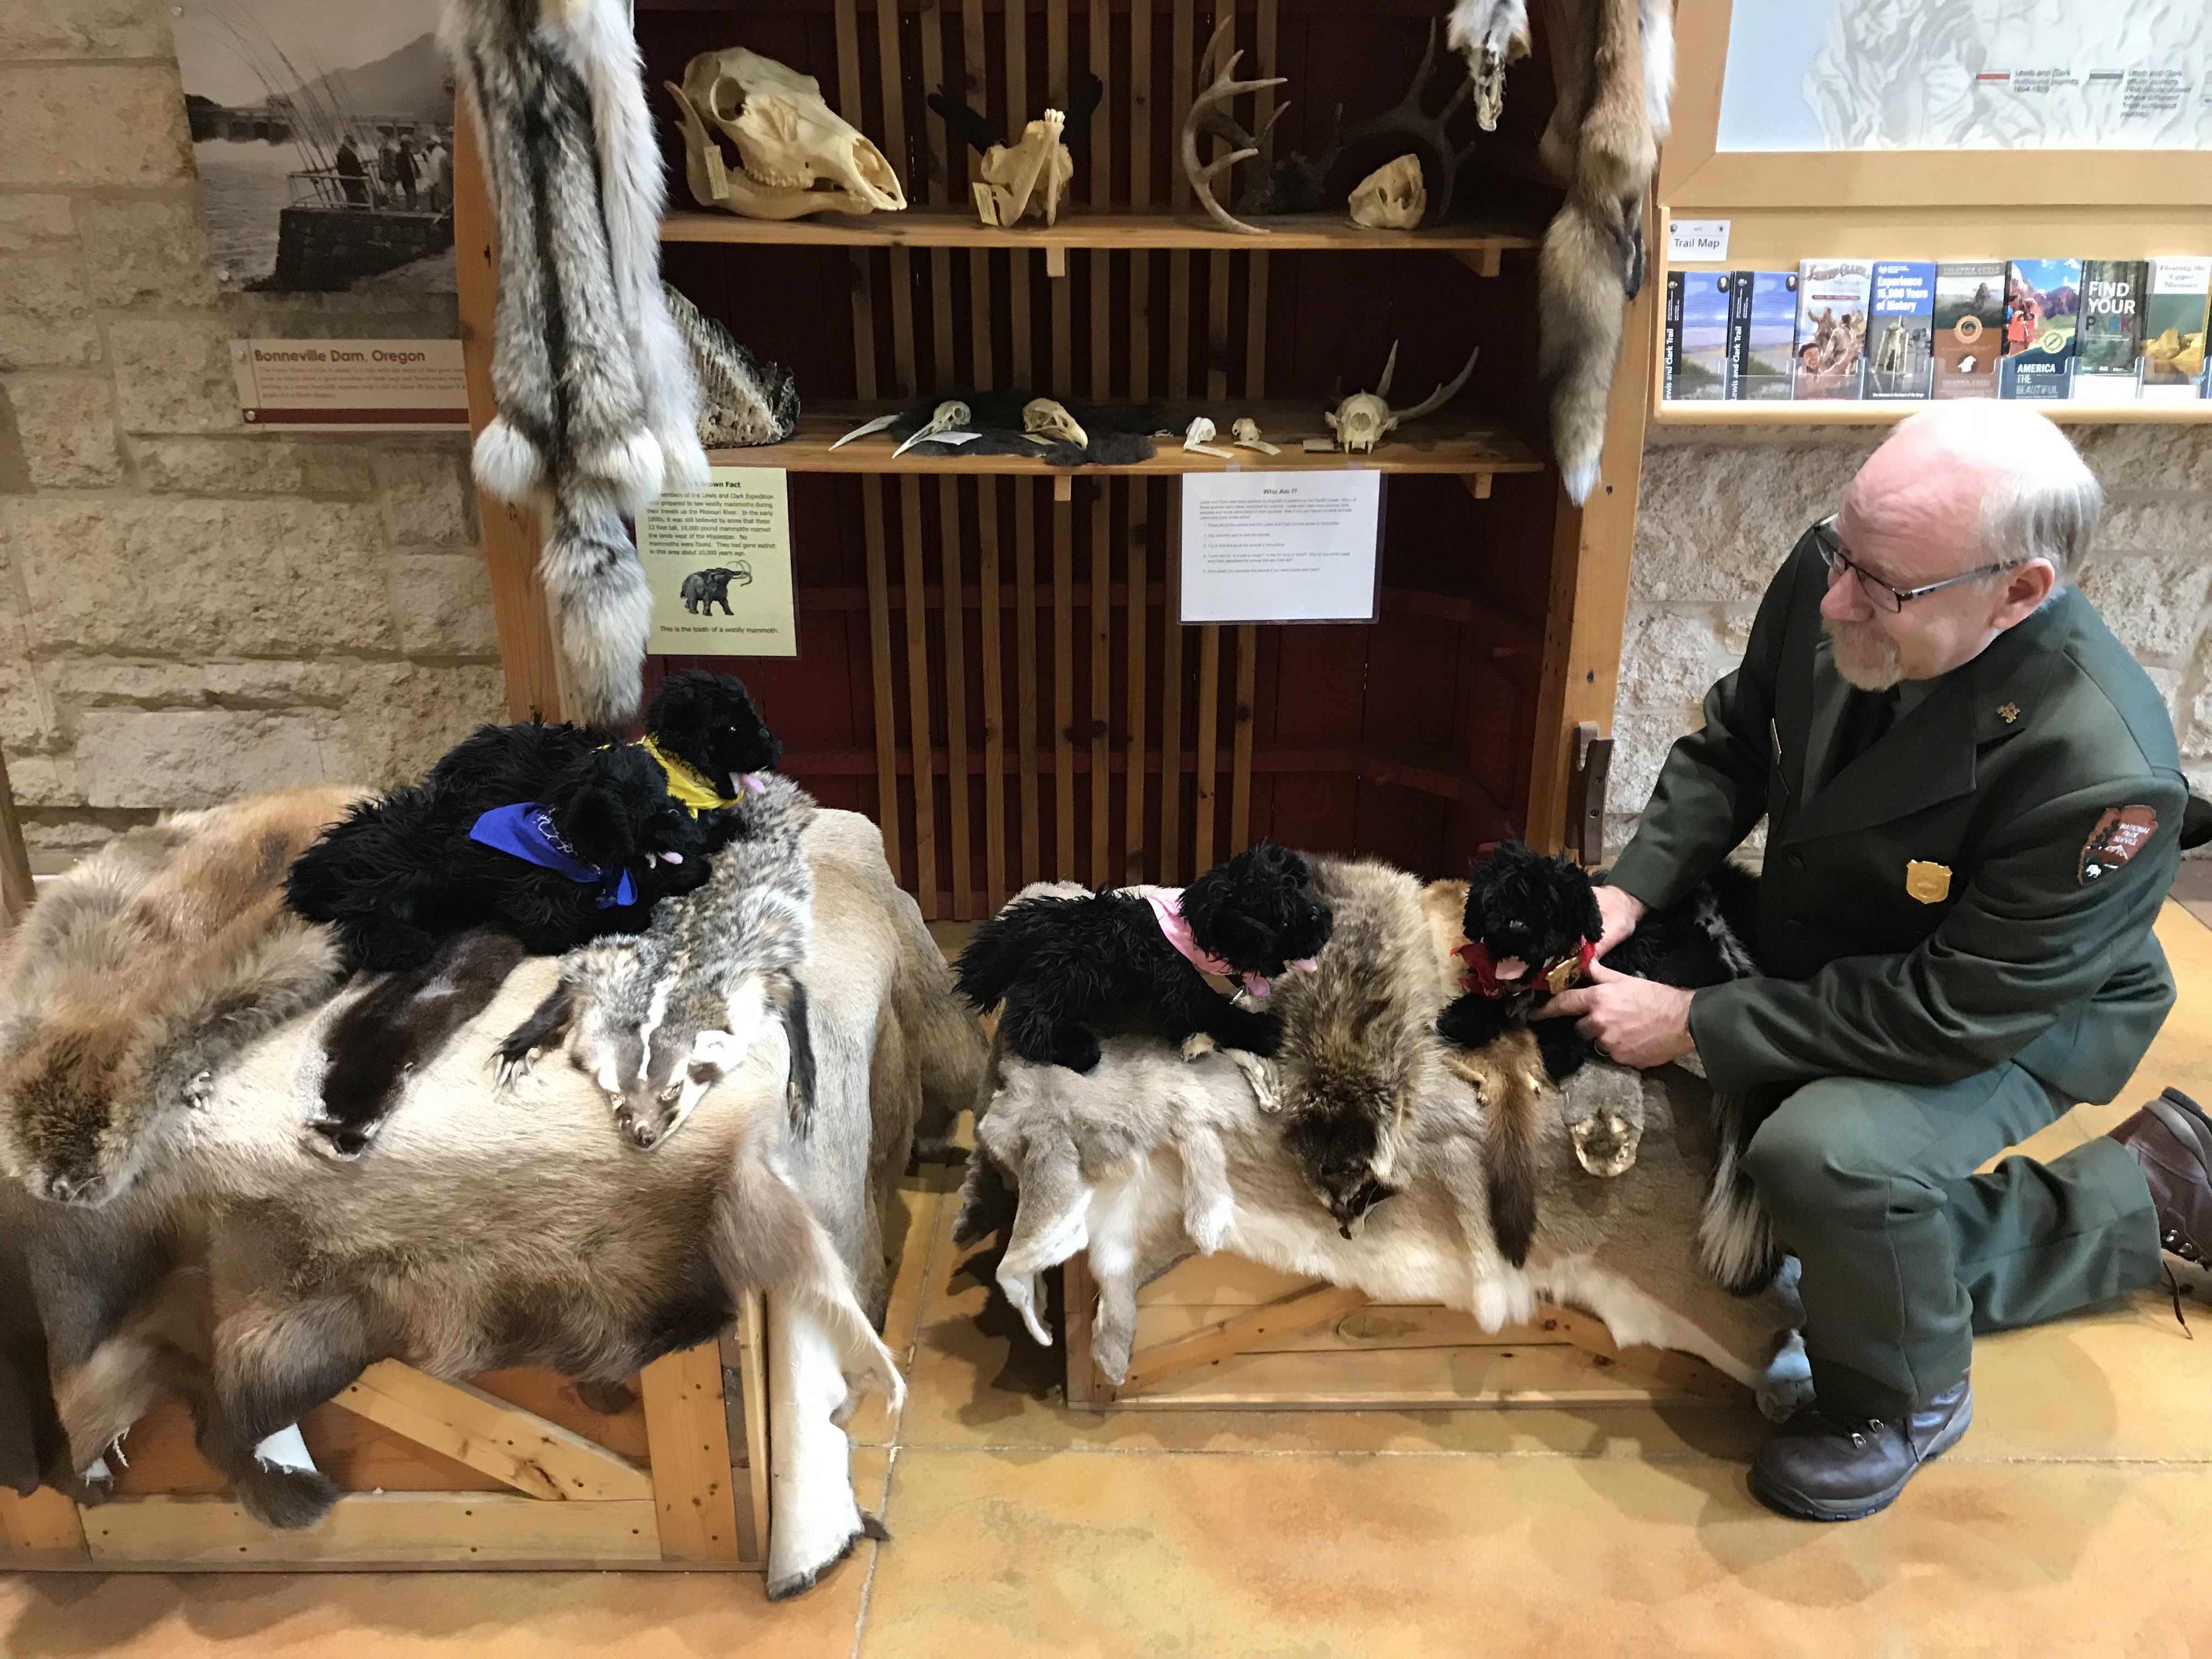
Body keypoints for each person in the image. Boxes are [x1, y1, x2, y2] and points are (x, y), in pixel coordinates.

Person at [1542, 400, 2211, 1521]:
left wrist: (1701, 1023)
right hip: (1850, 945)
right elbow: (1736, 742)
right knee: (1789, 1238)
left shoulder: (2102, 773)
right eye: (1844, 554)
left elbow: (1952, 1011)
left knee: (1824, 1161)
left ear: (2020, 591)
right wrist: (1630, 885)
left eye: (1883, 587)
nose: (1837, 597)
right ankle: (2146, 1187)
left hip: (2018, 1008)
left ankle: (1898, 1394)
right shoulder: (1852, 565)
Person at [334, 133, 368, 206]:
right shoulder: (344, 154)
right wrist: (360, 173)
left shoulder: (344, 152)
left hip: (350, 179)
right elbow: (349, 167)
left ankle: (356, 207)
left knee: (354, 198)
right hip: (351, 180)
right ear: (348, 142)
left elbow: (349, 167)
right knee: (356, 198)